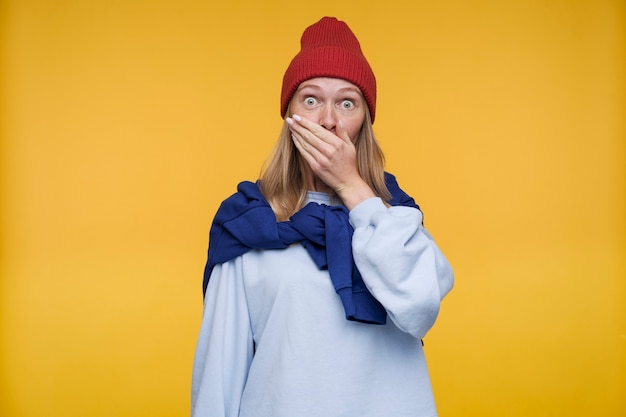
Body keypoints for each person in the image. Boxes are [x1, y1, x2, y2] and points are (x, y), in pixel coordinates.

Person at [191, 16, 454, 417]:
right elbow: (220, 374)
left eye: (347, 103)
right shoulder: (249, 221)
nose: (328, 120)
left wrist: (353, 189)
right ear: (289, 116)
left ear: (365, 120)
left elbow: (419, 305)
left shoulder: (395, 219)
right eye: (310, 100)